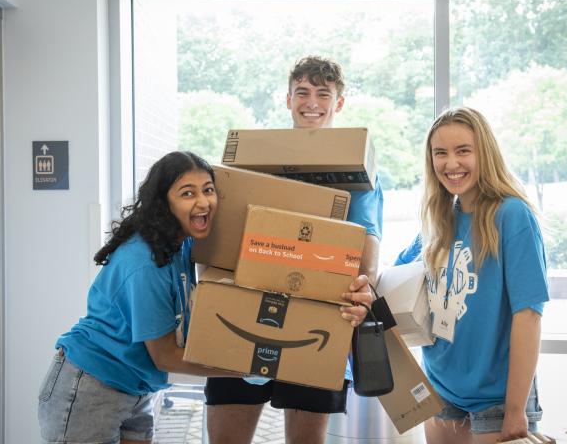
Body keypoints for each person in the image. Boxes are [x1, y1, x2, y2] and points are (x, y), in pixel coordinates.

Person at [204, 56, 383, 444]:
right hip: (243, 312)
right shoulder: (255, 160)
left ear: (339, 103)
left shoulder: (361, 174)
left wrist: (358, 286)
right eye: (302, 92)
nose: (312, 102)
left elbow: (367, 254)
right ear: (288, 99)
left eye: (323, 93)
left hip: (317, 320)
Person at [38, 151, 235, 444]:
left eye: (208, 190)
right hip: (90, 388)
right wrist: (240, 369)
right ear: (164, 203)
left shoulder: (181, 241)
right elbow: (165, 355)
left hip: (136, 386)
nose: (203, 202)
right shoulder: (145, 261)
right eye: (187, 193)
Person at [395, 107, 549, 444]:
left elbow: (529, 316)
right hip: (441, 388)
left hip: (496, 398)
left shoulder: (512, 215)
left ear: (485, 153)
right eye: (441, 153)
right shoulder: (439, 220)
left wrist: (515, 409)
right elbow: (393, 281)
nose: (451, 164)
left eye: (463, 150)